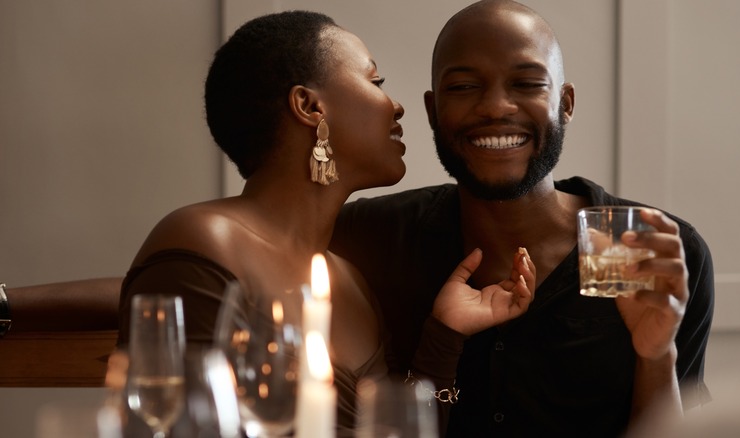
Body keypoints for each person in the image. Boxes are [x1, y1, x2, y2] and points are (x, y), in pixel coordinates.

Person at [116, 10, 536, 437]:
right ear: (310, 106)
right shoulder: (203, 240)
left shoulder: (350, 279)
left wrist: (445, 334)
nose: (396, 105)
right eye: (375, 83)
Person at [330, 1, 715, 437]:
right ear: (433, 111)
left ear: (565, 103)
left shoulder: (639, 248)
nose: (495, 106)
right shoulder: (371, 239)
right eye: (463, 86)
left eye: (527, 83)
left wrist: (656, 355)